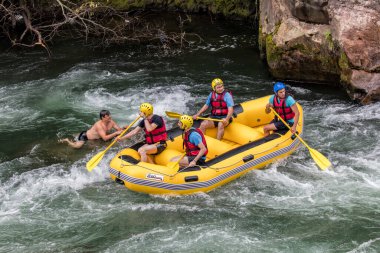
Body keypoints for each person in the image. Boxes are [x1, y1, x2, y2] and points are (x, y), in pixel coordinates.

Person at [59, 110, 123, 149]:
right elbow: (105, 138)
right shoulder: (99, 125)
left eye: (109, 115)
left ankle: (76, 137)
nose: (110, 117)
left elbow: (119, 129)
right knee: (77, 147)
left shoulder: (111, 121)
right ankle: (67, 140)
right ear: (103, 118)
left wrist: (122, 128)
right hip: (85, 136)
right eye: (108, 116)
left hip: (96, 138)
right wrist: (115, 133)